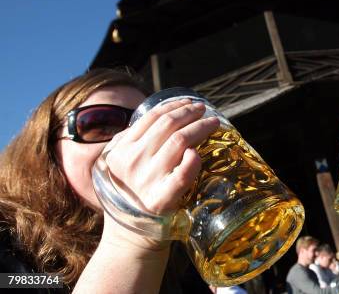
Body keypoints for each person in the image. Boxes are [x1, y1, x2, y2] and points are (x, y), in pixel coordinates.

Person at [0, 68, 220, 293]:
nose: (132, 142)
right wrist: (134, 232)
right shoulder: (8, 250)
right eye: (100, 122)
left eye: (149, 126)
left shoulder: (183, 258)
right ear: (46, 147)